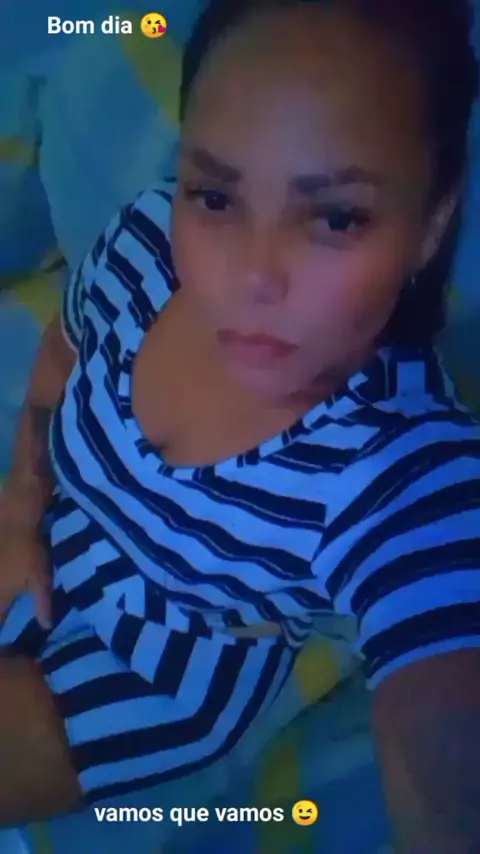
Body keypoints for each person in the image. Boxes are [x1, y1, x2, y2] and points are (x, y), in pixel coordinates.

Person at [0, 0, 479, 849]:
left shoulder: (390, 465)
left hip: (163, 669)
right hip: (54, 534)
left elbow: (445, 716)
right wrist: (19, 508)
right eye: (216, 196)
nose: (253, 278)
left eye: (336, 216)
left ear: (430, 225)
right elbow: (61, 356)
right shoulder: (147, 245)